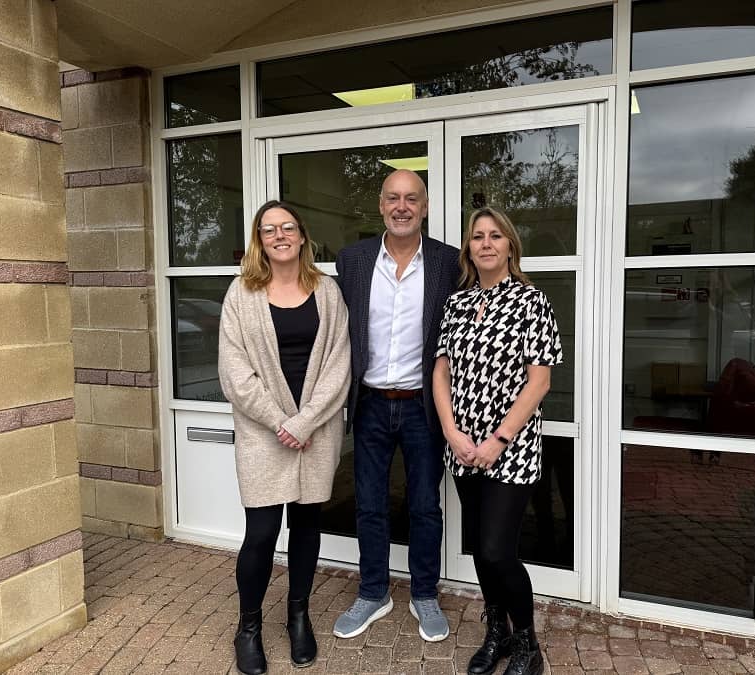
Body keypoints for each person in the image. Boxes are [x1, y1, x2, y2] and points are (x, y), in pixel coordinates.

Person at [218, 200, 350, 675]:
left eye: (287, 227)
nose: (279, 235)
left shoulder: (327, 291)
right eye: (269, 229)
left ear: (301, 235)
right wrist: (281, 421)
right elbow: (234, 373)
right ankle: (247, 627)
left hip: (315, 432)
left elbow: (339, 365)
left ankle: (298, 615)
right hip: (262, 432)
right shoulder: (241, 293)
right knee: (261, 533)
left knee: (307, 527)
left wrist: (305, 421)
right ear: (260, 238)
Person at [433, 206, 562, 675]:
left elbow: (539, 381)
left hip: (510, 450)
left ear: (510, 244)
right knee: (480, 549)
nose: (486, 243)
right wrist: (451, 431)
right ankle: (497, 633)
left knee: (496, 550)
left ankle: (528, 645)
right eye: (478, 237)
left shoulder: (532, 302)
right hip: (463, 449)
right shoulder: (457, 303)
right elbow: (441, 372)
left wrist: (499, 439)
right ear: (470, 247)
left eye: (495, 236)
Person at [333, 169, 460, 642]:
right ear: (381, 206)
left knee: (425, 505)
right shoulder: (354, 260)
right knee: (369, 504)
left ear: (424, 207)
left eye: (411, 198)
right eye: (393, 198)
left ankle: (424, 594)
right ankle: (373, 591)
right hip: (369, 403)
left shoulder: (449, 262)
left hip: (422, 407)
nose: (402, 206)